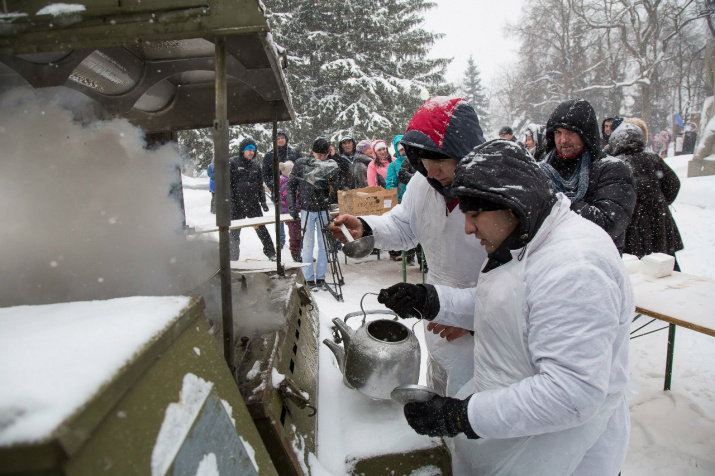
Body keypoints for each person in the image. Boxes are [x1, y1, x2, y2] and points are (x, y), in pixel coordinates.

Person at [378, 139, 633, 475]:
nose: (468, 228)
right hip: (512, 438)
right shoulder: (528, 238)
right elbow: (510, 306)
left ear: (509, 203)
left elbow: (570, 395)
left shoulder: (576, 268)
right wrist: (432, 300)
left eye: (474, 215)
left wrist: (462, 416)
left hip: (563, 454)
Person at [329, 96, 488, 396]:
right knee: (439, 394)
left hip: (483, 332)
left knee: (472, 411)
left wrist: (475, 319)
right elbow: (404, 226)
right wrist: (366, 227)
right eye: (423, 162)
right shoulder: (424, 183)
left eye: (440, 160)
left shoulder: (494, 195)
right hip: (437, 317)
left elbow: (517, 280)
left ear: (464, 151)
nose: (431, 171)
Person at [539, 99, 636, 253]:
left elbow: (608, 224)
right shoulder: (542, 169)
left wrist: (554, 200)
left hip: (594, 259)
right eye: (558, 132)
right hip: (548, 258)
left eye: (570, 132)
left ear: (586, 134)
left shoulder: (612, 169)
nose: (563, 139)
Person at [609, 123, 684, 268]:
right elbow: (673, 183)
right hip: (657, 218)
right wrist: (661, 201)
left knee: (634, 265)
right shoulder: (653, 159)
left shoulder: (617, 163)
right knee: (664, 262)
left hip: (630, 221)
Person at [287, 137, 341, 289]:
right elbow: (291, 186)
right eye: (320, 155)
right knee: (308, 244)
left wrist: (331, 184)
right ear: (313, 152)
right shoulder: (301, 164)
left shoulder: (331, 165)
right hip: (306, 209)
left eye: (325, 155)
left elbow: (335, 188)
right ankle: (309, 278)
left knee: (324, 244)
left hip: (323, 208)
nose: (322, 158)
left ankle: (321, 277)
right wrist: (292, 207)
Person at [229, 138, 276, 261]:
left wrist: (263, 202)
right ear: (243, 150)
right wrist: (231, 200)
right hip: (237, 205)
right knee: (234, 233)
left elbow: (260, 186)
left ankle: (271, 253)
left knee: (262, 230)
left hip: (253, 204)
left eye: (254, 150)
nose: (252, 153)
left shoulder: (256, 166)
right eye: (249, 150)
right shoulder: (233, 163)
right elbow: (227, 184)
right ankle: (233, 258)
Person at [279, 161, 302, 262]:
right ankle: (295, 254)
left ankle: (300, 252)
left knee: (299, 234)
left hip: (296, 212)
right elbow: (288, 199)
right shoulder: (286, 184)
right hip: (291, 213)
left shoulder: (289, 182)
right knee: (295, 235)